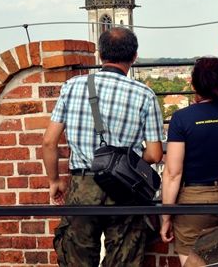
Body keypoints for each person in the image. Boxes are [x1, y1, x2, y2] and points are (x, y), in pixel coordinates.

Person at [42, 27, 164, 267]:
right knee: (125, 255)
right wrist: (125, 162)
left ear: (99, 54)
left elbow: (49, 141)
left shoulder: (73, 86)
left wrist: (54, 180)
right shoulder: (145, 95)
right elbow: (154, 154)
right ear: (134, 56)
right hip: (125, 186)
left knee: (76, 255)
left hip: (83, 183)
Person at [159, 57, 218, 266]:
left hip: (194, 203)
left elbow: (173, 173)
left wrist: (166, 216)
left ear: (193, 84)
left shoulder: (181, 119)